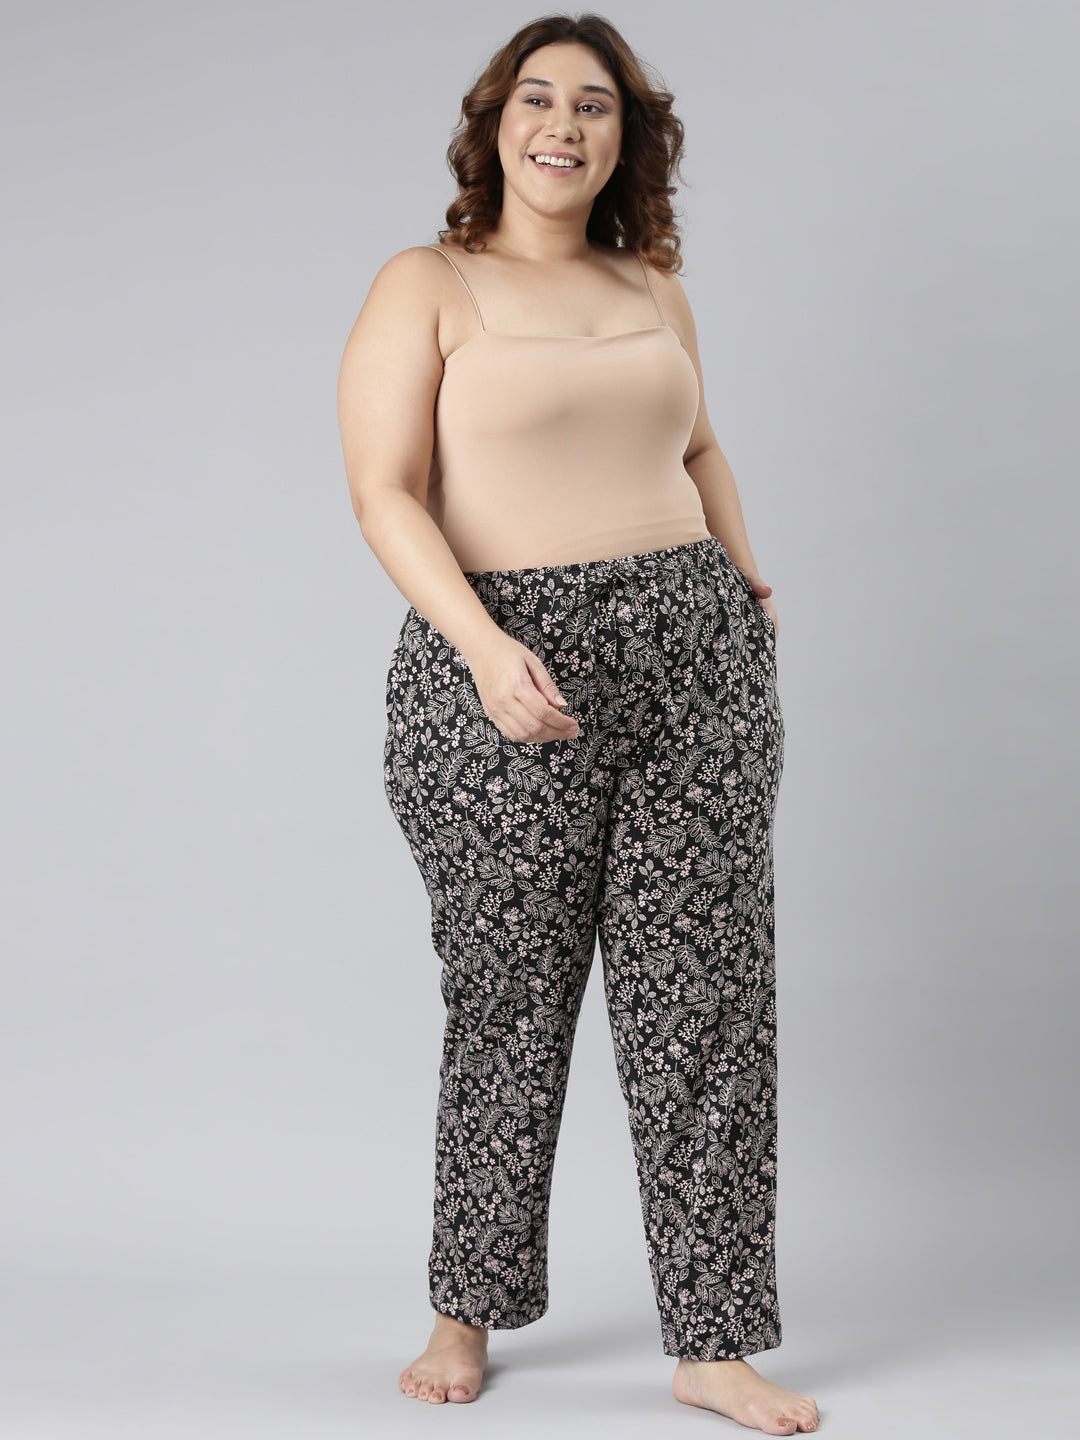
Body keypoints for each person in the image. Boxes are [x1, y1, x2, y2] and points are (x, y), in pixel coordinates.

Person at [336, 13, 818, 1435]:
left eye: (594, 105)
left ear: (626, 137)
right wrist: (484, 650)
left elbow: (700, 443)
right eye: (537, 100)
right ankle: (463, 1311)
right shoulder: (426, 283)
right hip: (507, 665)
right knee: (510, 995)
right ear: (494, 125)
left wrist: (744, 579)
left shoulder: (652, 281)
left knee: (708, 1000)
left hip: (697, 666)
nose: (564, 125)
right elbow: (384, 491)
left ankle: (714, 1342)